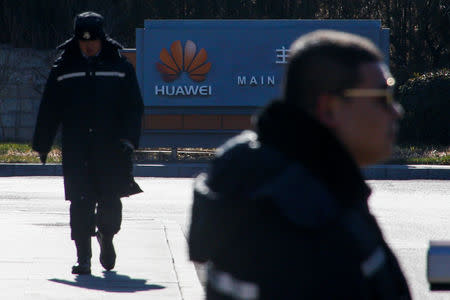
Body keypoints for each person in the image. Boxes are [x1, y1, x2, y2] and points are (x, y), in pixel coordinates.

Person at [188, 30, 411, 299]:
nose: (396, 110)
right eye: (383, 95)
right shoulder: (303, 221)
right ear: (329, 108)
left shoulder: (280, 182)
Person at [32, 11, 144, 275]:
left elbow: (133, 106)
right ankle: (83, 257)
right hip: (77, 149)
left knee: (110, 205)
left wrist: (129, 139)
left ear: (102, 38)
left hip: (112, 149)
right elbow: (50, 108)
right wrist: (43, 143)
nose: (89, 46)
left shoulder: (119, 67)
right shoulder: (64, 68)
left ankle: (107, 236)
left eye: (93, 40)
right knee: (80, 204)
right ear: (76, 40)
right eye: (84, 42)